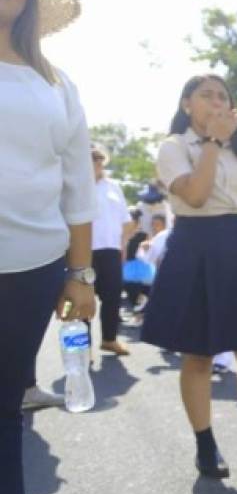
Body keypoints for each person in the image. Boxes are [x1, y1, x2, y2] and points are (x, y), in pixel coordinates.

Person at [141, 74, 237, 480]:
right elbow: (194, 195)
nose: (215, 102)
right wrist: (211, 142)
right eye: (206, 95)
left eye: (222, 96)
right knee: (198, 355)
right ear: (186, 103)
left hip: (235, 248)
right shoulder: (174, 147)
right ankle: (205, 445)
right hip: (195, 247)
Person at [0, 0, 96, 494]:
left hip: (33, 271)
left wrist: (80, 275)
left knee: (6, 405)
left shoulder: (56, 84)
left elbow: (76, 187)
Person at [87, 144, 135, 355]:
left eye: (98, 158)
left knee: (113, 296)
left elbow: (124, 220)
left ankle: (109, 339)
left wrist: (123, 245)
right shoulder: (75, 185)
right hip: (84, 251)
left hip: (111, 250)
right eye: (91, 158)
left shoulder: (114, 186)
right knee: (80, 301)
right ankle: (80, 349)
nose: (96, 162)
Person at [122, 208, 155, 317]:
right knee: (140, 294)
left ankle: (139, 313)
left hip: (132, 268)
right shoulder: (141, 234)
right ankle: (139, 313)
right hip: (138, 269)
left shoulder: (136, 234)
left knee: (137, 294)